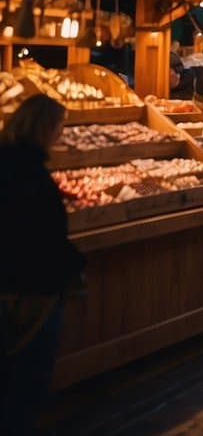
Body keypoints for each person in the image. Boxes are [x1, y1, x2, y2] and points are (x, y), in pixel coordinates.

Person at [0, 96, 85, 436]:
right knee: (26, 384)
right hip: (35, 290)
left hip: (11, 282)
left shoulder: (11, 165)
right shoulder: (33, 175)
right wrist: (74, 265)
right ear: (45, 128)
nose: (59, 135)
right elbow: (44, 236)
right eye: (58, 127)